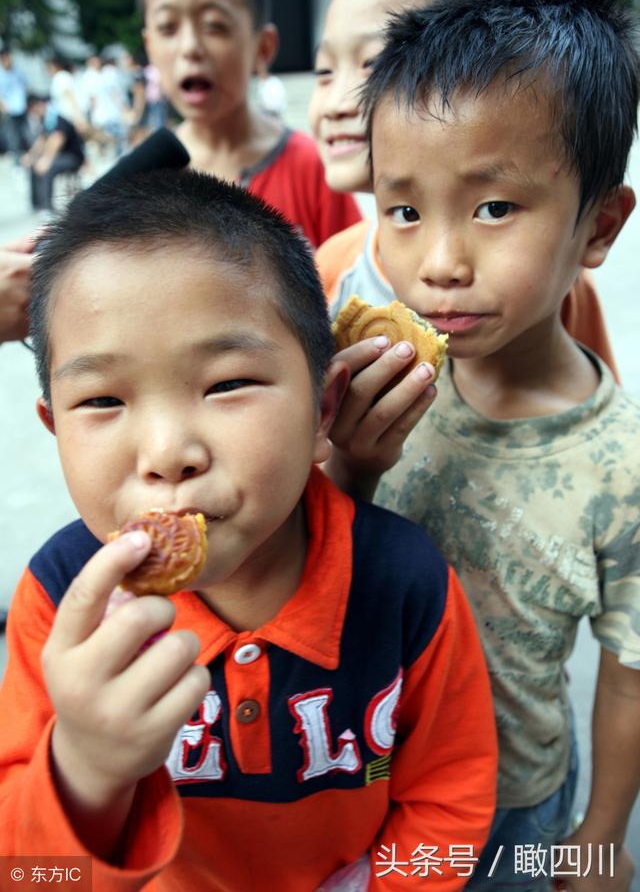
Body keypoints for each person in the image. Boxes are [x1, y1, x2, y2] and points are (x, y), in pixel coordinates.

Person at [0, 169, 497, 891]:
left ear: (324, 405)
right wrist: (84, 767)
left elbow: (451, 792)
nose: (168, 452)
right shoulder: (61, 604)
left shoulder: (404, 581)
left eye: (227, 383)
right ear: (54, 429)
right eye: (103, 398)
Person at [325, 0, 640, 891]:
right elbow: (311, 564)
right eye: (405, 210)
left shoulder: (619, 461)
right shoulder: (367, 383)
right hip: (370, 778)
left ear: (599, 224)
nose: (440, 263)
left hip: (519, 799)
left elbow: (627, 670)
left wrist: (603, 830)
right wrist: (350, 463)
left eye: (494, 207)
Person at [311, 0, 621, 381]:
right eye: (324, 71)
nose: (339, 102)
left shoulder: (560, 286)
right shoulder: (333, 269)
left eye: (373, 62)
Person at [135, 0, 361, 248]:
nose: (189, 47)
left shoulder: (312, 168)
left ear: (263, 47)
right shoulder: (144, 177)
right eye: (168, 27)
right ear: (149, 47)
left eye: (214, 25)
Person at [21, 95, 85, 213]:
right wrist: (30, 156)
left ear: (41, 105)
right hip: (60, 156)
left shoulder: (56, 118)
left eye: (34, 109)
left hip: (73, 157)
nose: (34, 113)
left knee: (48, 167)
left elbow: (58, 139)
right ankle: (37, 204)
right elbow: (41, 140)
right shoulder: (46, 120)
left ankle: (47, 207)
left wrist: (46, 160)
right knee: (34, 165)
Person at [0, 49, 28, 163]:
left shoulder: (17, 72)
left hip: (21, 108)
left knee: (24, 134)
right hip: (9, 109)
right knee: (12, 136)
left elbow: (24, 87)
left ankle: (25, 157)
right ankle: (16, 160)